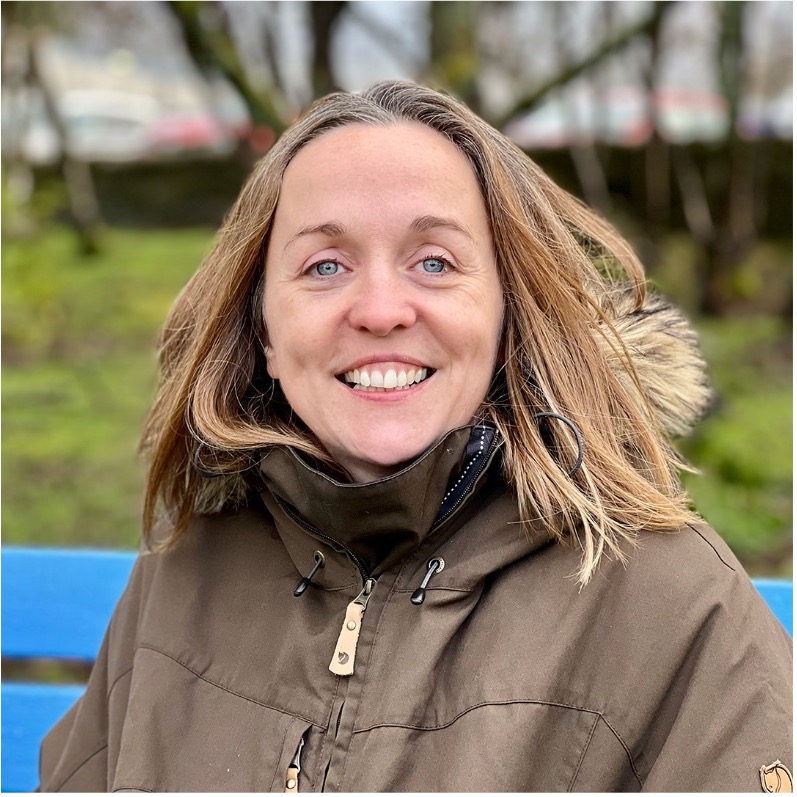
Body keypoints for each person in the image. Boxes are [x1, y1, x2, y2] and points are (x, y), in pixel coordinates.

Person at [39, 81, 791, 793]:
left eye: (433, 262)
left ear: (506, 316)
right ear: (263, 328)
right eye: (324, 264)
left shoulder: (670, 604)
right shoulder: (185, 569)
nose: (379, 309)